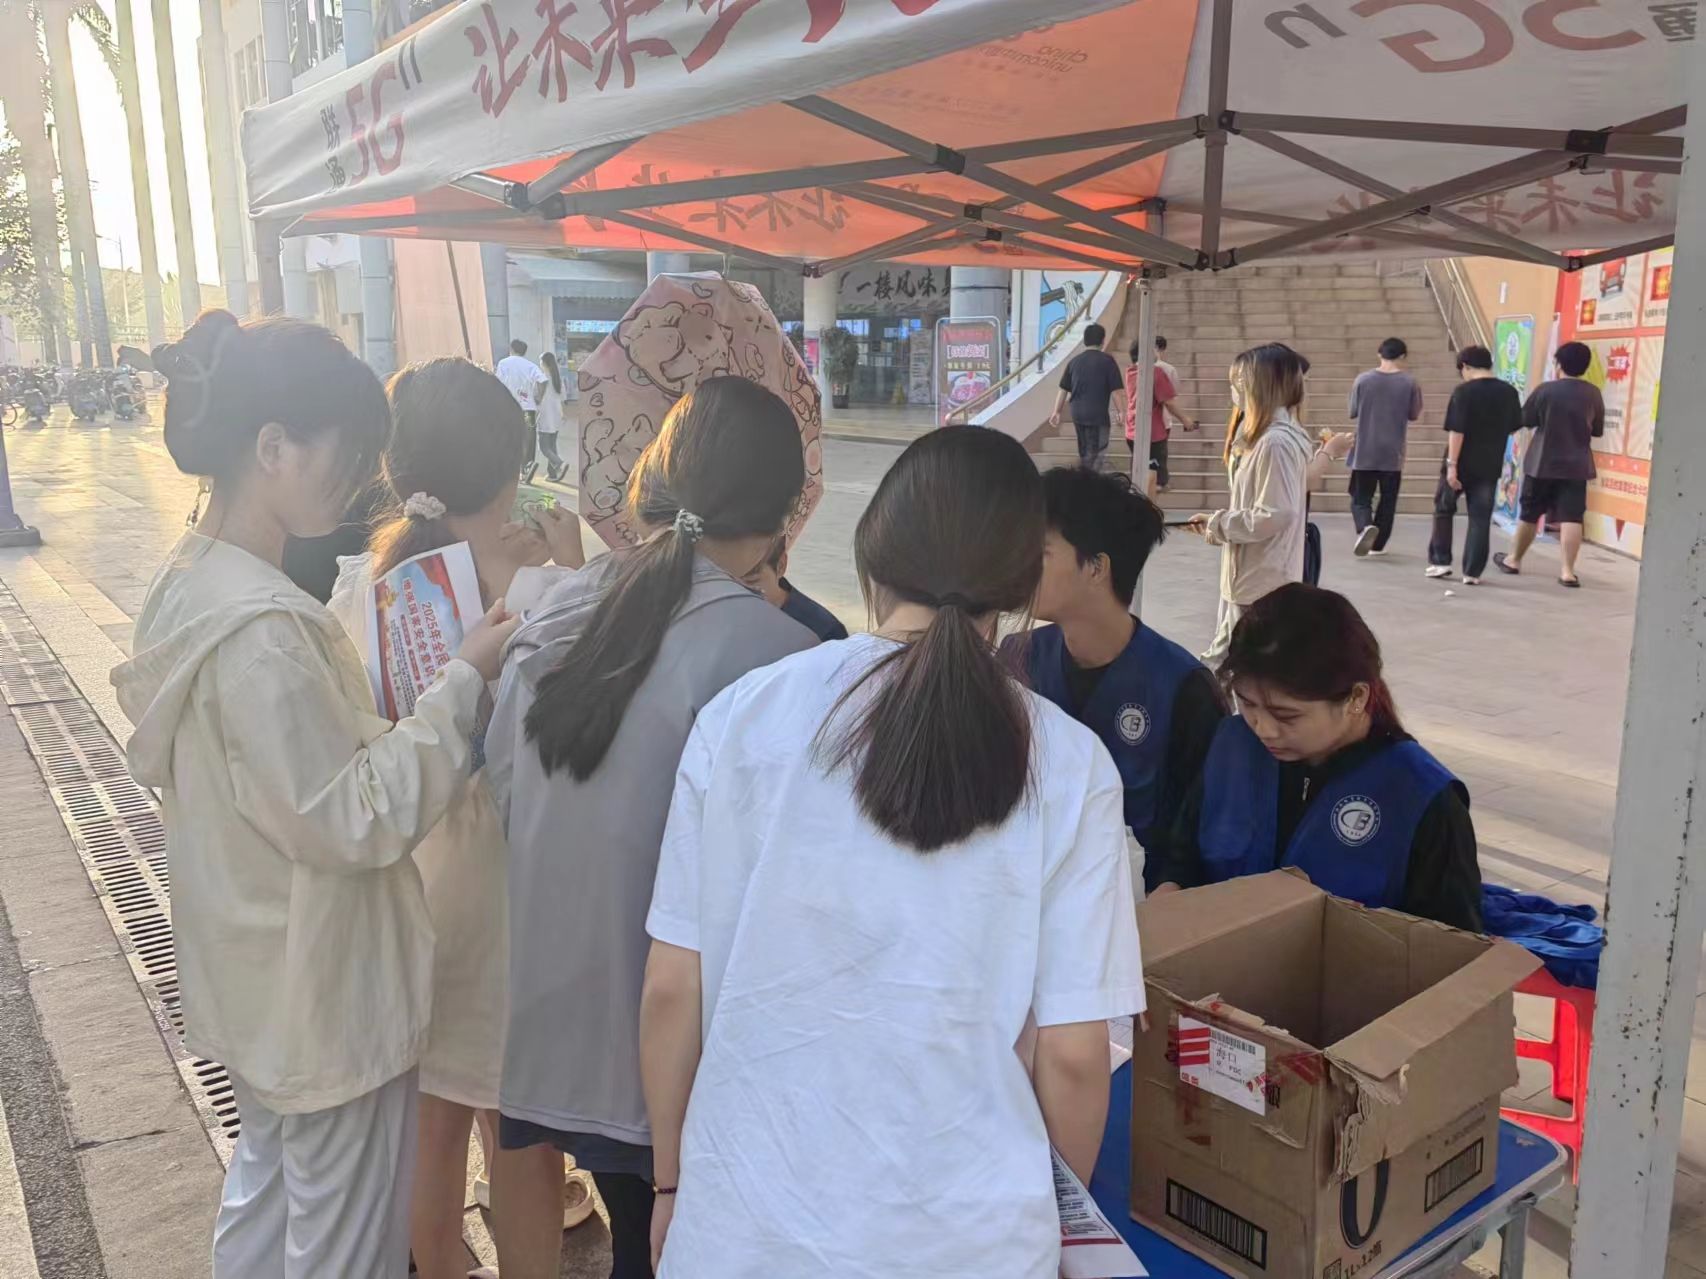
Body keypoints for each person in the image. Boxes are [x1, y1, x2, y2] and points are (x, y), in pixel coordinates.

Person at [639, 426, 1144, 1278]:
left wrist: (670, 1184)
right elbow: (1073, 1054)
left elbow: (670, 987)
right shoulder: (1070, 763)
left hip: (743, 1228)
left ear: (872, 555)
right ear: (1019, 586)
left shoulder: (745, 715)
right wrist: (1056, 1229)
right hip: (971, 1245)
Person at [112, 311, 520, 1278]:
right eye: (345, 452)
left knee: (264, 1205)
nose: (358, 478)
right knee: (344, 1249)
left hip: (253, 975)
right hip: (327, 993)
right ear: (273, 448)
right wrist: (462, 680)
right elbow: (352, 815)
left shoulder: (189, 586)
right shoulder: (266, 634)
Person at [484, 376, 817, 1279]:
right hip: (683, 1049)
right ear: (784, 516)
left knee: (642, 1231)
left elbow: (506, 798)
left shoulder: (555, 608)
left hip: (555, 1030)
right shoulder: (785, 658)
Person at [326, 359, 587, 1279]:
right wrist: (576, 569)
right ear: (513, 468)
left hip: (405, 877)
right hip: (509, 885)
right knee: (519, 1128)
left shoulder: (360, 586)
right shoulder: (544, 591)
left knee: (427, 1118)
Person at [1153, 583, 1482, 931]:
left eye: (1286, 715)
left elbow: (1453, 940)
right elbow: (1183, 855)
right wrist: (1170, 887)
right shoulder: (1232, 748)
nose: (1264, 729)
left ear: (1356, 698)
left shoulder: (1420, 797)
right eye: (1247, 704)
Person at [1005, 467, 1224, 894]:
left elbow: (1192, 832)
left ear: (1096, 568)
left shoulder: (1184, 689)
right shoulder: (1018, 659)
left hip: (1138, 903)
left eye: (1040, 553)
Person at [1185, 343, 1350, 665]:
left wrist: (1219, 524)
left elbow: (1276, 513)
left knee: (1237, 666)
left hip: (1262, 579)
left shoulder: (1275, 442)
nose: (1235, 389)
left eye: (1239, 381)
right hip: (1252, 573)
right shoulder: (1265, 436)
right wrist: (1216, 523)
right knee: (1228, 662)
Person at [1495, 341, 1605, 588]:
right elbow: (1597, 430)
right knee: (1572, 517)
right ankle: (1568, 572)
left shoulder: (1545, 390)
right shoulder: (1593, 394)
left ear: (1558, 364)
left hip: (1541, 464)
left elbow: (1525, 419)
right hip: (1577, 467)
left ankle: (1514, 560)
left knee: (1530, 513)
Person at [1427, 345, 1523, 584]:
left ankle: (1440, 562)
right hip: (1489, 464)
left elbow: (1457, 431)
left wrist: (1452, 465)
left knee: (1444, 509)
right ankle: (1472, 572)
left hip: (1460, 461)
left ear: (1465, 366)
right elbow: (1514, 427)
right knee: (1480, 517)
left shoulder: (1463, 392)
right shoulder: (1509, 392)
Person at [1347, 337, 1424, 557]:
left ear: (1379, 354)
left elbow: (1353, 410)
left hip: (1365, 449)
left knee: (1360, 496)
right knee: (1388, 500)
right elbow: (1414, 414)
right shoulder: (1410, 383)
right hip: (1393, 452)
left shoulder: (1363, 380)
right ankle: (1378, 545)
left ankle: (1365, 527)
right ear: (1403, 356)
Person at [1124, 337, 1196, 496]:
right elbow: (1169, 402)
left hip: (1132, 430)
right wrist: (1185, 420)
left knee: (1140, 469)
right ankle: (1149, 501)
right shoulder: (1155, 373)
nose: (1156, 352)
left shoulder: (1130, 372)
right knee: (1154, 475)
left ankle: (1137, 496)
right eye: (1153, 349)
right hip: (1153, 433)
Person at [742, 535, 849, 641]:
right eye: (732, 582)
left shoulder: (824, 632)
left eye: (750, 581)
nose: (737, 591)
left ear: (780, 566)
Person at [1050, 322, 1126, 471]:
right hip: (1098, 414)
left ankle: (1084, 474)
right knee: (1097, 452)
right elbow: (1116, 391)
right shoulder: (1108, 361)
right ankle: (1089, 477)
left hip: (1077, 413)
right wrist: (1121, 411)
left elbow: (1063, 389)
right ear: (1102, 340)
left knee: (1084, 450)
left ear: (1085, 340)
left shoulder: (1074, 362)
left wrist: (1056, 411)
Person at [495, 339, 546, 483]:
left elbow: (498, 383)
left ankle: (509, 470)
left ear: (511, 349)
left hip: (509, 408)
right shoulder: (530, 365)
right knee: (528, 439)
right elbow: (543, 381)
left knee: (508, 437)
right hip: (528, 409)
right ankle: (527, 468)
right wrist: (539, 398)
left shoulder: (503, 363)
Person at [536, 351, 570, 483]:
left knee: (544, 447)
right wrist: (563, 414)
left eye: (541, 361)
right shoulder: (557, 378)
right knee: (552, 445)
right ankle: (552, 474)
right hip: (556, 415)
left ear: (544, 363)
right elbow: (563, 398)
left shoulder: (541, 378)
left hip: (545, 415)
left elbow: (537, 397)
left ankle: (559, 463)